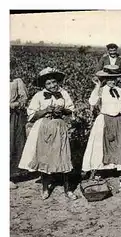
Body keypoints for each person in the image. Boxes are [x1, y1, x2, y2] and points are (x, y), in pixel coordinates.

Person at [18, 67, 77, 200]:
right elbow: (31, 115)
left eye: (54, 82)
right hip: (44, 127)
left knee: (64, 156)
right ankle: (45, 188)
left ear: (58, 82)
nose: (52, 85)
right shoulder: (38, 96)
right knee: (45, 157)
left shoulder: (64, 93)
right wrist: (45, 110)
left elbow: (71, 110)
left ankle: (68, 190)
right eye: (48, 83)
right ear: (44, 85)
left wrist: (62, 110)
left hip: (59, 127)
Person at [82, 65, 121, 192]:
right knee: (101, 149)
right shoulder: (100, 90)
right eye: (109, 78)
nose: (112, 81)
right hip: (104, 121)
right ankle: (99, 176)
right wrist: (97, 86)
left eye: (114, 78)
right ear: (104, 79)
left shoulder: (120, 91)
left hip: (119, 121)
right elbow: (92, 102)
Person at [10, 66, 29, 189]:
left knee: (12, 144)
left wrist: (15, 104)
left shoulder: (16, 81)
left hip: (12, 116)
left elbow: (23, 99)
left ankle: (9, 176)